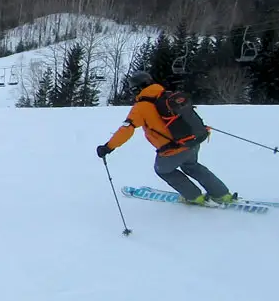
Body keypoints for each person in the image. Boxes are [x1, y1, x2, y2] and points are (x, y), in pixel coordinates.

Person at [96, 71, 234, 206]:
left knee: (162, 170)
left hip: (173, 149)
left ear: (137, 88)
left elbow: (126, 129)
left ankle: (194, 196)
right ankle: (222, 194)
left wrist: (108, 147)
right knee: (192, 166)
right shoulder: (168, 95)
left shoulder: (141, 107)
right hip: (192, 141)